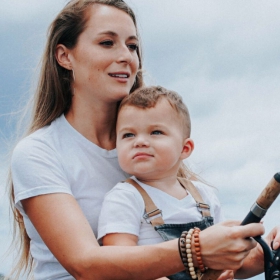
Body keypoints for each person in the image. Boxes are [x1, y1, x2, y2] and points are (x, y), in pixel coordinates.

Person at [8, 0, 279, 279]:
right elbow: (86, 265)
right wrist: (196, 248)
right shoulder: (39, 153)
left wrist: (262, 253)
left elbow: (208, 265)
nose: (126, 56)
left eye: (132, 46)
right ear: (65, 56)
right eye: (107, 42)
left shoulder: (150, 151)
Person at [96, 85, 275, 280]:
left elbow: (230, 263)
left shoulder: (204, 196)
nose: (139, 141)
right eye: (128, 135)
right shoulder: (124, 197)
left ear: (185, 148)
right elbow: (119, 267)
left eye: (155, 132)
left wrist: (262, 253)